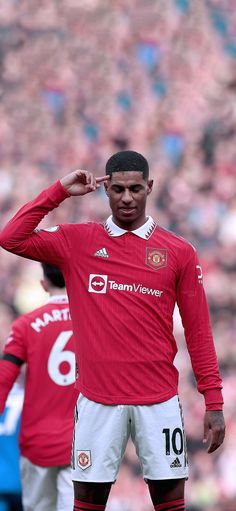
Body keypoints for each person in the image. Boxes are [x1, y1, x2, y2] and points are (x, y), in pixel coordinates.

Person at [0, 150, 225, 511]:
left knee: (170, 500)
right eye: (117, 189)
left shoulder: (178, 252)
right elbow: (11, 237)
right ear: (105, 189)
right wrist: (59, 190)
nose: (126, 198)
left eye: (135, 188)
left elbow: (199, 331)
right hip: (97, 401)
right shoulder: (80, 242)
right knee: (87, 502)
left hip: (159, 400)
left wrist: (213, 401)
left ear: (149, 187)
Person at [0, 263, 78, 511]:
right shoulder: (94, 323)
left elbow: (4, 380)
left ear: (43, 284)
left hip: (37, 443)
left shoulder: (25, 325)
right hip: (82, 442)